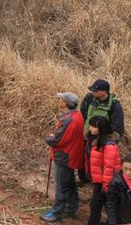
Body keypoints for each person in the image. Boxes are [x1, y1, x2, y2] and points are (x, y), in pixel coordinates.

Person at [41, 92, 85, 222]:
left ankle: (56, 213)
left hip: (64, 156)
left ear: (65, 103)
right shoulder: (77, 115)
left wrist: (49, 138)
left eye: (60, 99)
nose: (58, 101)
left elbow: (57, 140)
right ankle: (71, 208)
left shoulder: (67, 120)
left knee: (61, 185)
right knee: (70, 182)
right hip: (72, 154)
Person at [79, 79, 125, 183]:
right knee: (84, 158)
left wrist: (107, 142)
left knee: (98, 163)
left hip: (101, 140)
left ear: (104, 92)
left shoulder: (115, 105)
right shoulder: (89, 98)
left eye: (96, 90)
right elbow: (83, 113)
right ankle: (84, 179)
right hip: (87, 135)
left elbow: (118, 128)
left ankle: (99, 184)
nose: (93, 92)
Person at [85, 116, 122, 225]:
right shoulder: (93, 140)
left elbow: (108, 168)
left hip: (107, 184)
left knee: (99, 207)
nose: (90, 128)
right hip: (98, 181)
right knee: (101, 208)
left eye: (94, 126)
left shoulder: (109, 146)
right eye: (91, 125)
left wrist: (106, 187)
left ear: (102, 128)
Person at [106, 154, 131, 225]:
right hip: (124, 222)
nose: (128, 172)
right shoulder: (117, 182)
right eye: (125, 169)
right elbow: (111, 205)